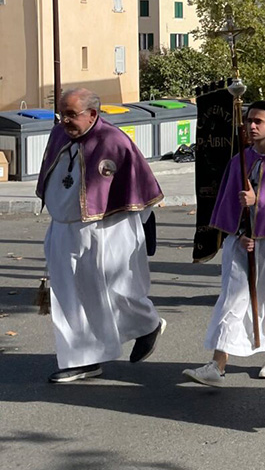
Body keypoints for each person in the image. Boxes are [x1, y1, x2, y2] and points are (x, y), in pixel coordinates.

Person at [37, 88, 165, 383]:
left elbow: (140, 189)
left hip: (106, 228)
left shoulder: (114, 141)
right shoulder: (59, 135)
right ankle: (82, 359)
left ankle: (147, 324)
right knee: (68, 295)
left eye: (71, 114)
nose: (64, 120)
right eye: (61, 114)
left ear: (92, 114)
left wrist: (138, 235)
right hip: (63, 228)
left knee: (115, 289)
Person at [184, 101, 265, 387]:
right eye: (248, 121)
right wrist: (241, 231)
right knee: (232, 300)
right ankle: (218, 365)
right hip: (241, 243)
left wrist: (259, 205)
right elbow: (226, 205)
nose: (251, 126)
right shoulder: (240, 161)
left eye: (258, 121)